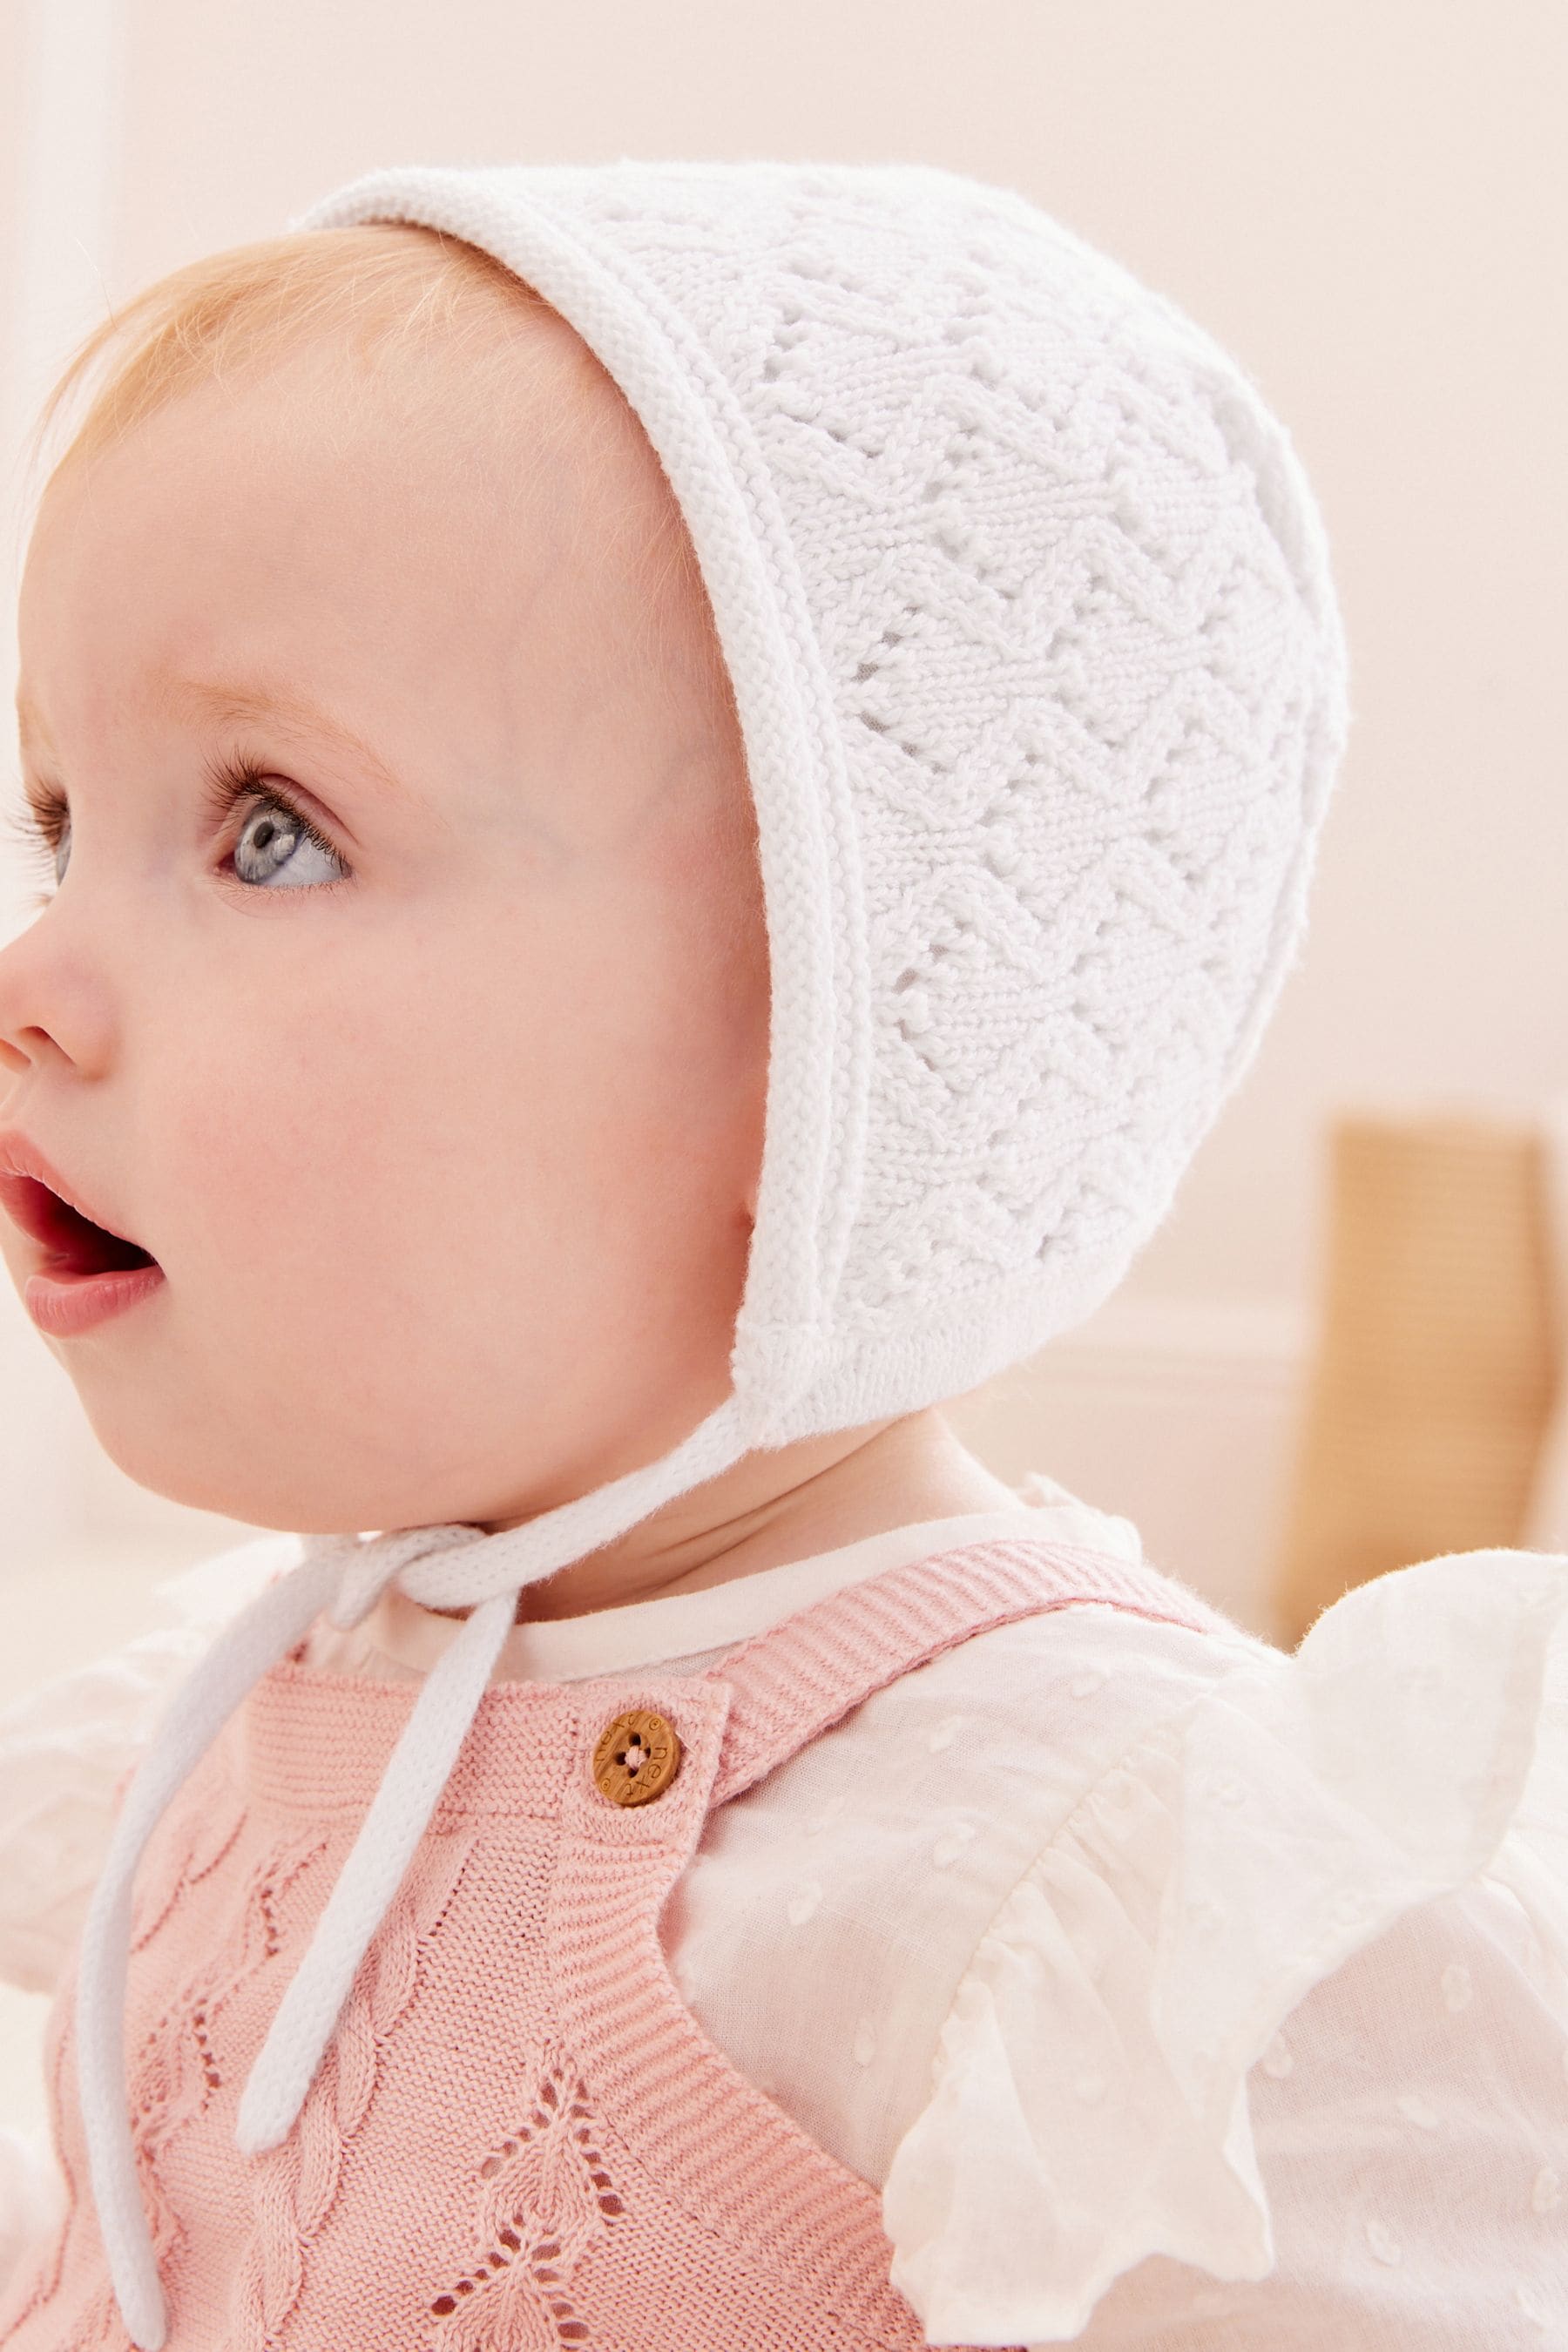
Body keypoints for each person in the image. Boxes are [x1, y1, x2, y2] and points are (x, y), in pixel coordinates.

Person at [0, 159, 1561, 2349]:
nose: (39, 969)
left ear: (836, 1049)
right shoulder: (208, 1739)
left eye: (273, 830)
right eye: (66, 819)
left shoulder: (1120, 1913)